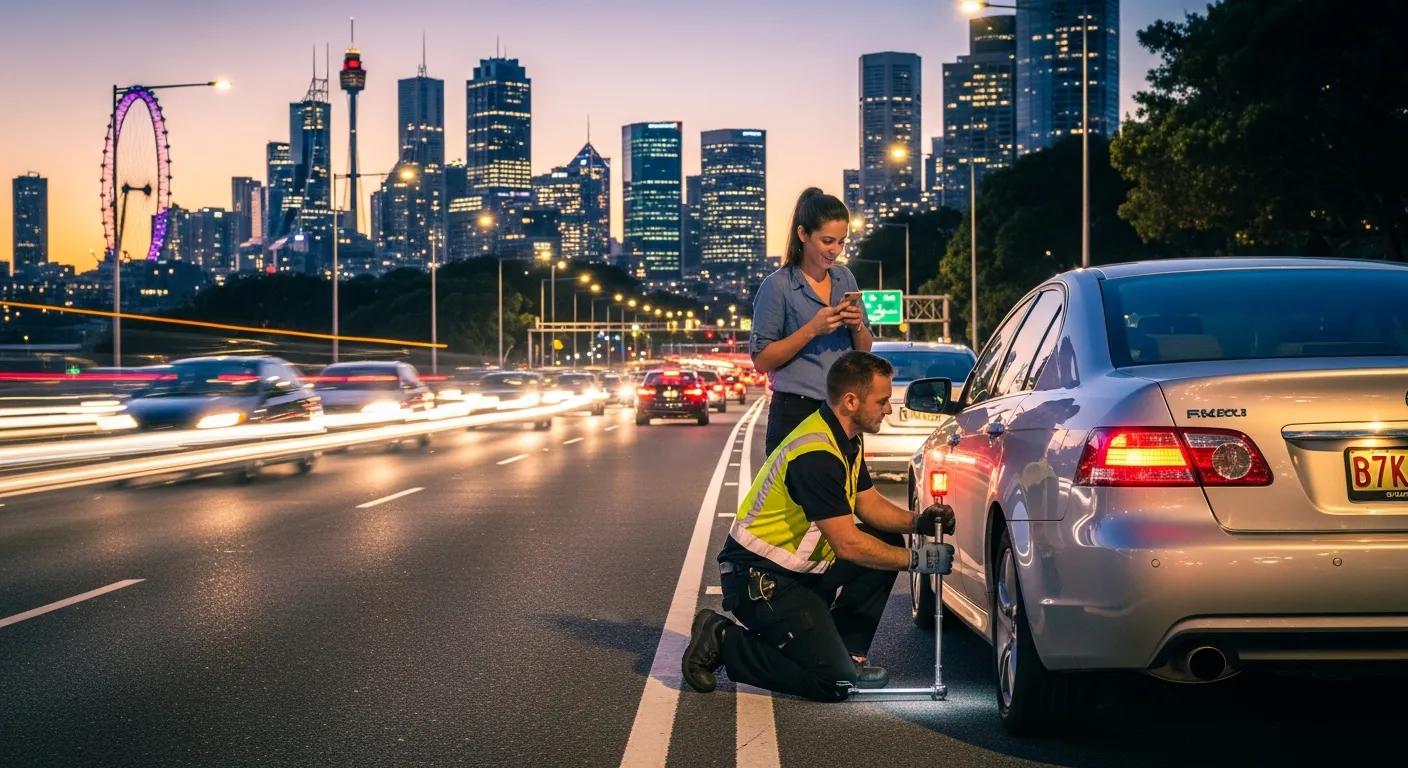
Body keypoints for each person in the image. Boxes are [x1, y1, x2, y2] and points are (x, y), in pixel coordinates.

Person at [682, 351, 955, 701]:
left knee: (886, 537)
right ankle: (723, 639)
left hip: (798, 572)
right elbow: (849, 546)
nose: (888, 409)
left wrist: (919, 521)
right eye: (882, 400)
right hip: (761, 581)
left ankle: (846, 653)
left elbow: (867, 503)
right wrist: (919, 561)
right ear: (851, 401)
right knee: (833, 684)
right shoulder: (816, 454)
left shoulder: (845, 437)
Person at [750, 188, 873, 455]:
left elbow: (865, 350)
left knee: (845, 494)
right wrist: (811, 330)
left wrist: (857, 325)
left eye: (842, 242)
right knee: (794, 495)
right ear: (803, 234)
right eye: (827, 241)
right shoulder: (778, 286)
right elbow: (761, 361)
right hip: (796, 412)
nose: (835, 251)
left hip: (842, 411)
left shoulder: (845, 279)